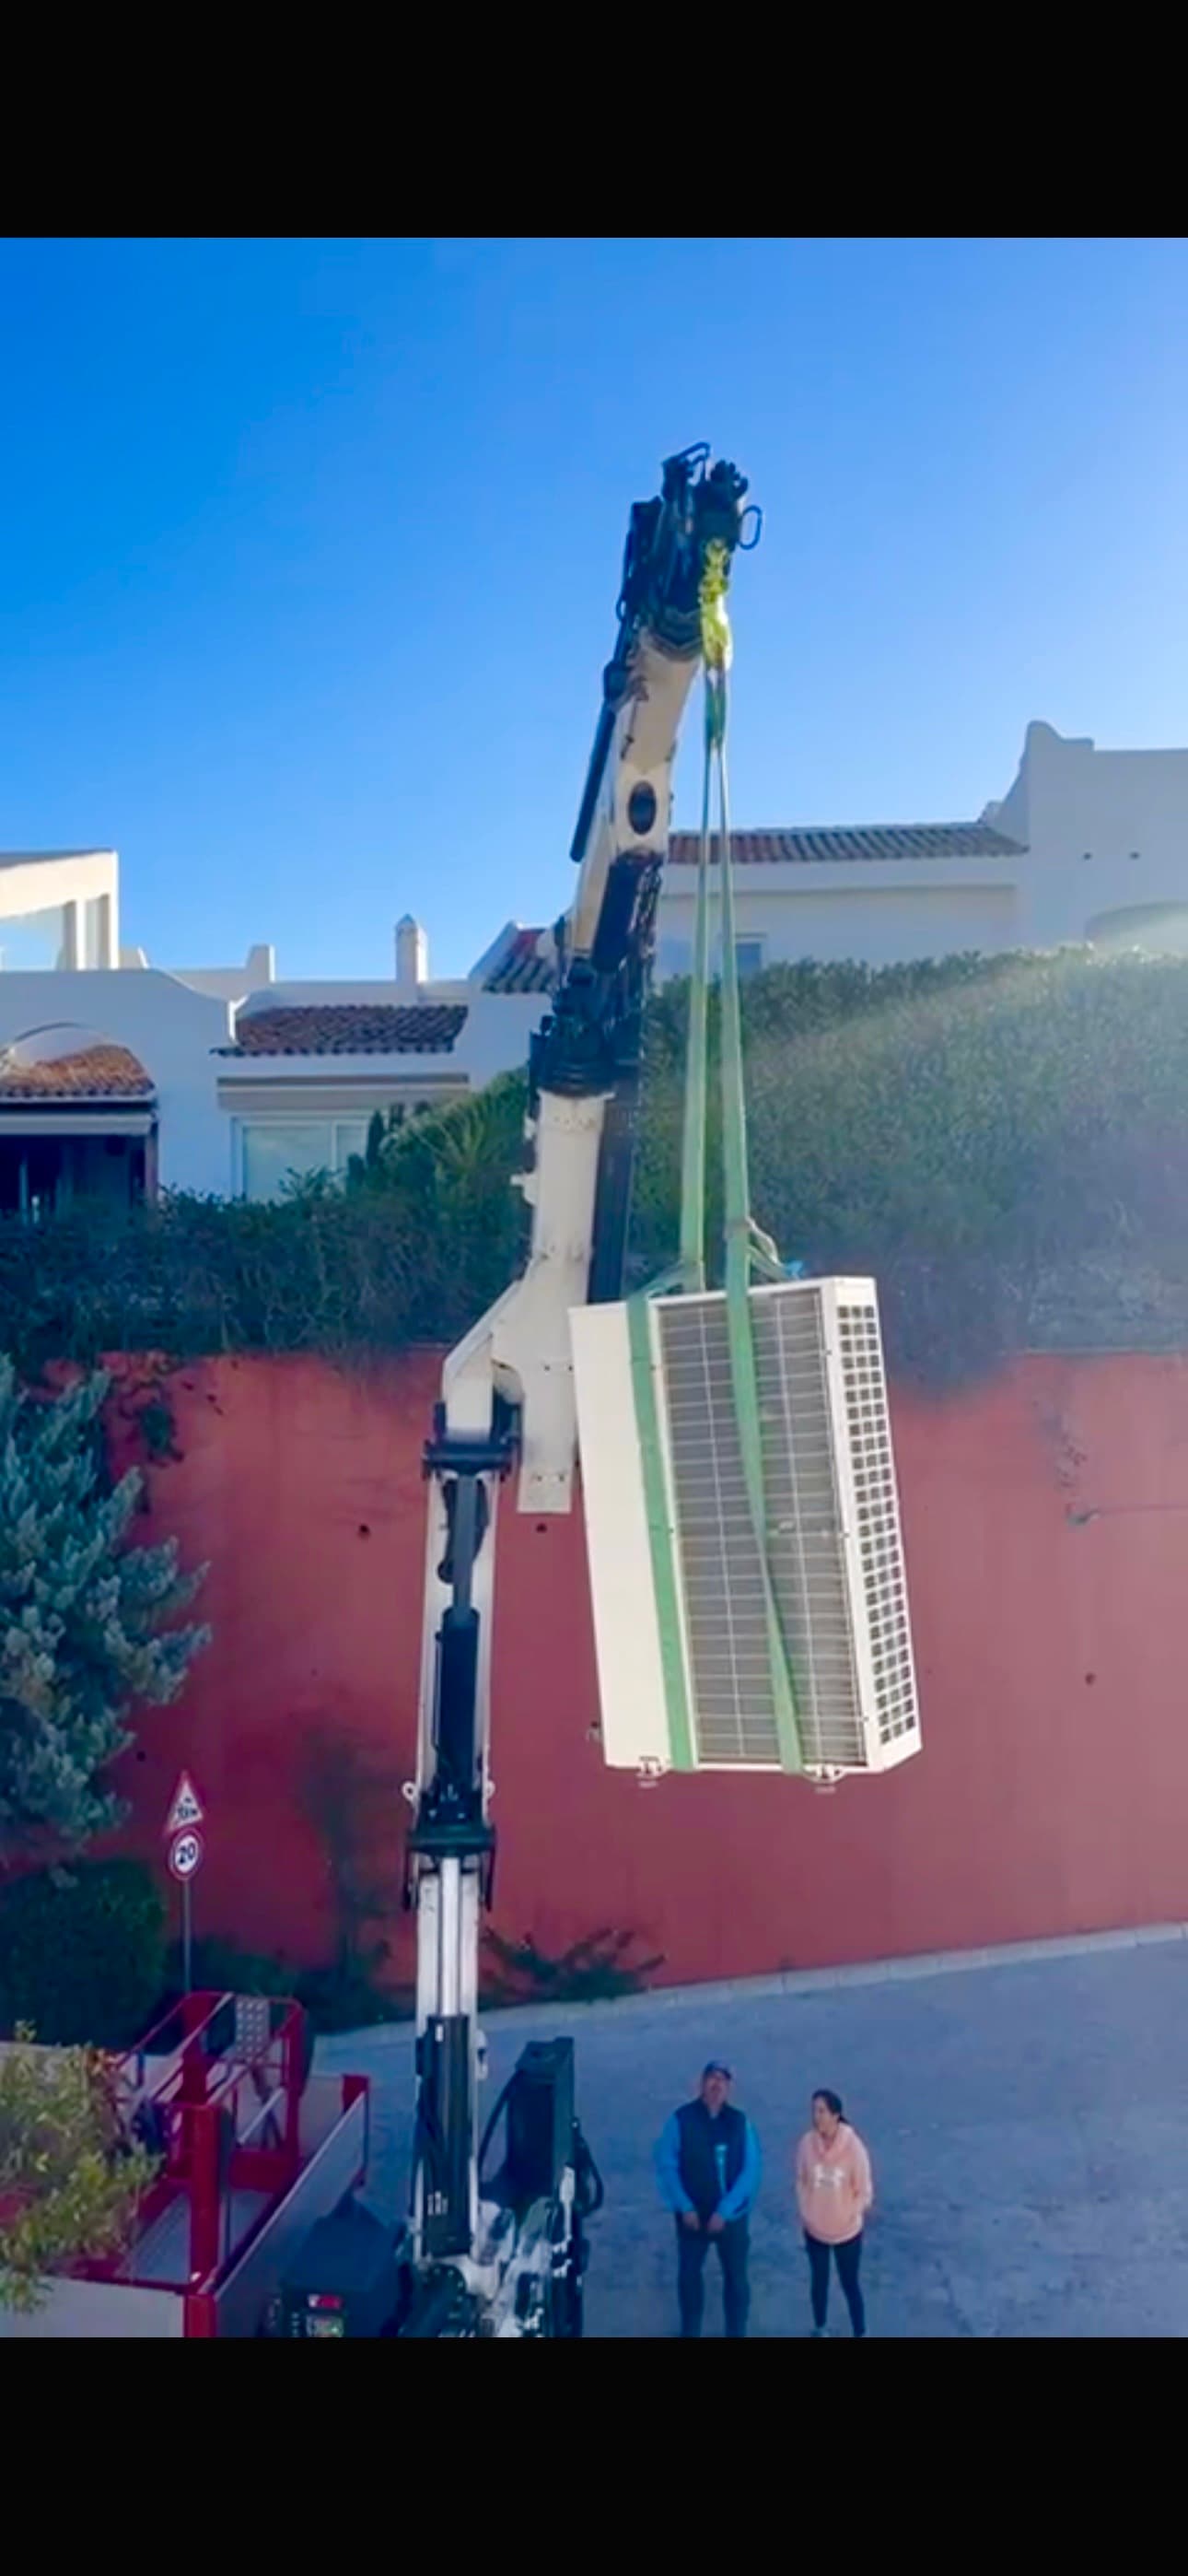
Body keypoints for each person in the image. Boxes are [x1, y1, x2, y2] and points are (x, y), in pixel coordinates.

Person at [655, 2060, 761, 2338]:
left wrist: (724, 2211)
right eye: (711, 2079)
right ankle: (690, 2330)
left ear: (729, 2088)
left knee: (737, 2282)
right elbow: (667, 2165)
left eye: (722, 2081)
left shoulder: (740, 2123)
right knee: (689, 2278)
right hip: (693, 2216)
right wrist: (684, 2206)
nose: (716, 2086)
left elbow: (750, 2171)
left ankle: (736, 2332)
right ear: (701, 2083)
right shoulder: (680, 2120)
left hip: (731, 2219)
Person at [795, 2087, 873, 2338]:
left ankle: (859, 2332)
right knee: (819, 2281)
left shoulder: (854, 2148)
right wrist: (806, 2209)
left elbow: (864, 2190)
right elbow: (801, 2179)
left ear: (836, 2114)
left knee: (850, 2284)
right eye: (814, 2111)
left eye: (822, 2111)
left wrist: (851, 2213)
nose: (817, 2116)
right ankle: (820, 2327)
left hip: (846, 2231)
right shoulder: (807, 2144)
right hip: (815, 2228)